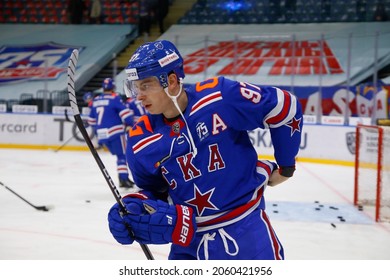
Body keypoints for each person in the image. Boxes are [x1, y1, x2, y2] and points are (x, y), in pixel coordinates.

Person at [107, 40, 303, 259]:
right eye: (135, 87)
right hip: (189, 245)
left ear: (171, 81)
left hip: (246, 235)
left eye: (146, 85)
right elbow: (156, 193)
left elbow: (284, 107)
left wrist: (286, 165)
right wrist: (135, 206)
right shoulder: (140, 140)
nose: (138, 95)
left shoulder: (219, 97)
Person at [87, 78, 135, 189]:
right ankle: (123, 179)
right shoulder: (115, 98)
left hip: (102, 135)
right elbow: (126, 114)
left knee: (119, 156)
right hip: (115, 132)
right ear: (113, 87)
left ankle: (124, 178)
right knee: (122, 155)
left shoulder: (96, 100)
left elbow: (91, 121)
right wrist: (130, 124)